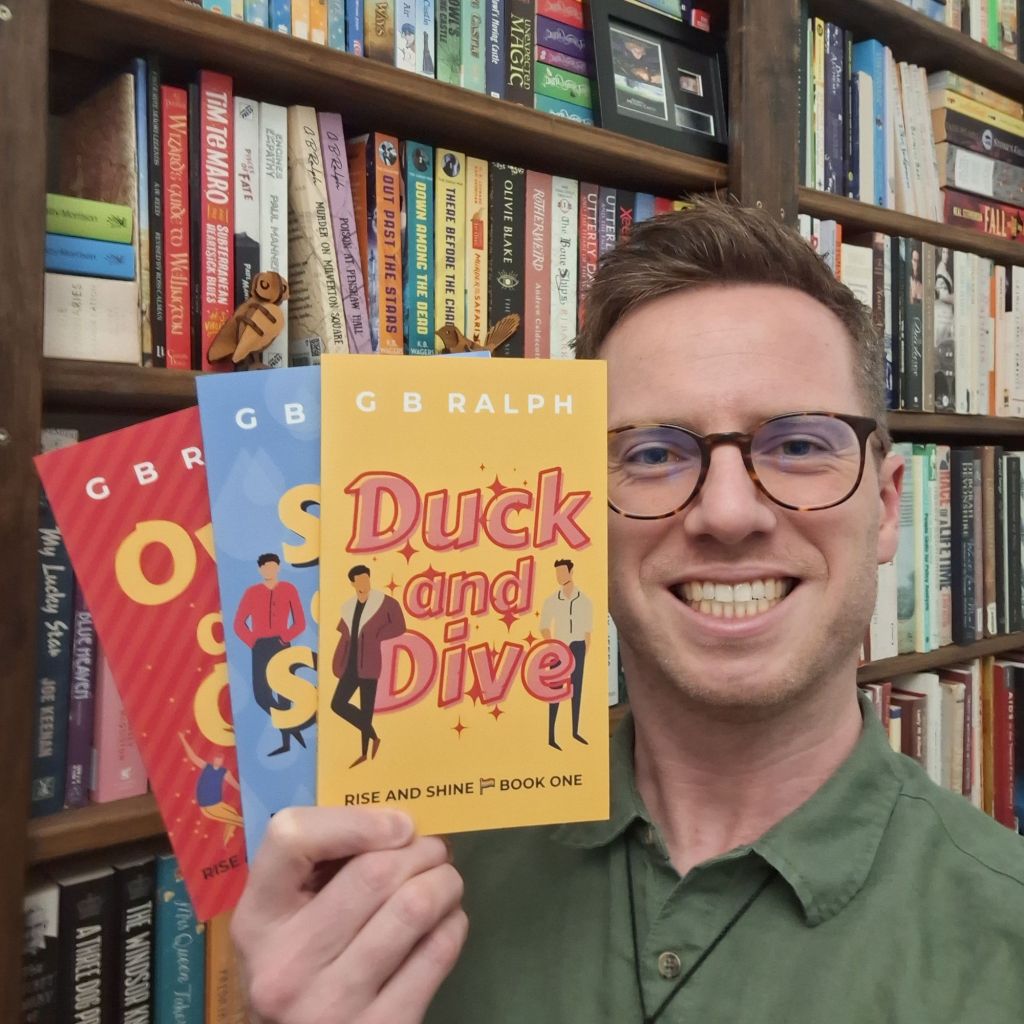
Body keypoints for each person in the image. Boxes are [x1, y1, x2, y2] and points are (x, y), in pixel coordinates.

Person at [230, 199, 1024, 1023]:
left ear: (888, 508)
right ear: (577, 513)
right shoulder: (401, 878)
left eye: (797, 445)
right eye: (653, 454)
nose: (727, 513)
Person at [329, 564, 407, 767]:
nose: (364, 583)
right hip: (350, 664)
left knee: (367, 709)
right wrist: (337, 661)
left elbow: (400, 625)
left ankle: (364, 753)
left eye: (366, 578)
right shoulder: (348, 607)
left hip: (370, 664)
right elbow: (343, 637)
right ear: (353, 583)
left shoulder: (384, 602)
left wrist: (378, 635)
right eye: (360, 580)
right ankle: (374, 736)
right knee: (337, 704)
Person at [233, 553, 309, 756]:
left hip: (282, 644)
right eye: (265, 567)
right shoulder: (252, 592)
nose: (269, 570)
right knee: (262, 695)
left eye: (273, 566)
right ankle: (291, 727)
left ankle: (286, 743)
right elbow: (239, 623)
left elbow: (300, 622)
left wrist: (285, 638)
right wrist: (253, 642)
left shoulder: (289, 589)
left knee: (284, 694)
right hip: (260, 647)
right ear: (260, 569)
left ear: (279, 567)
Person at [540, 558, 593, 749]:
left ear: (571, 572)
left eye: (562, 572)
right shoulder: (552, 600)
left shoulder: (585, 600)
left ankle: (575, 731)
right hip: (559, 649)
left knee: (576, 689)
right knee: (555, 691)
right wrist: (553, 646)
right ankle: (551, 736)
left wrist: (584, 649)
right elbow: (544, 626)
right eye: (557, 573)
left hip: (578, 646)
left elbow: (588, 631)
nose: (559, 576)